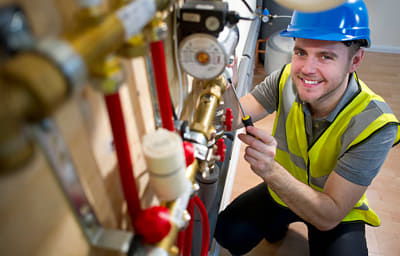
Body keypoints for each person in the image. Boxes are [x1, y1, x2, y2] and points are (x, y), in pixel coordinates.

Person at [214, 0, 400, 255]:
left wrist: (270, 170)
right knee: (227, 233)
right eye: (301, 52)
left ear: (355, 60)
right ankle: (277, 226)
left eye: (325, 56)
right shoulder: (285, 78)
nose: (306, 70)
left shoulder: (376, 124)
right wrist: (227, 83)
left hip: (333, 211)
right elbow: (232, 117)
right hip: (282, 192)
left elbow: (329, 214)